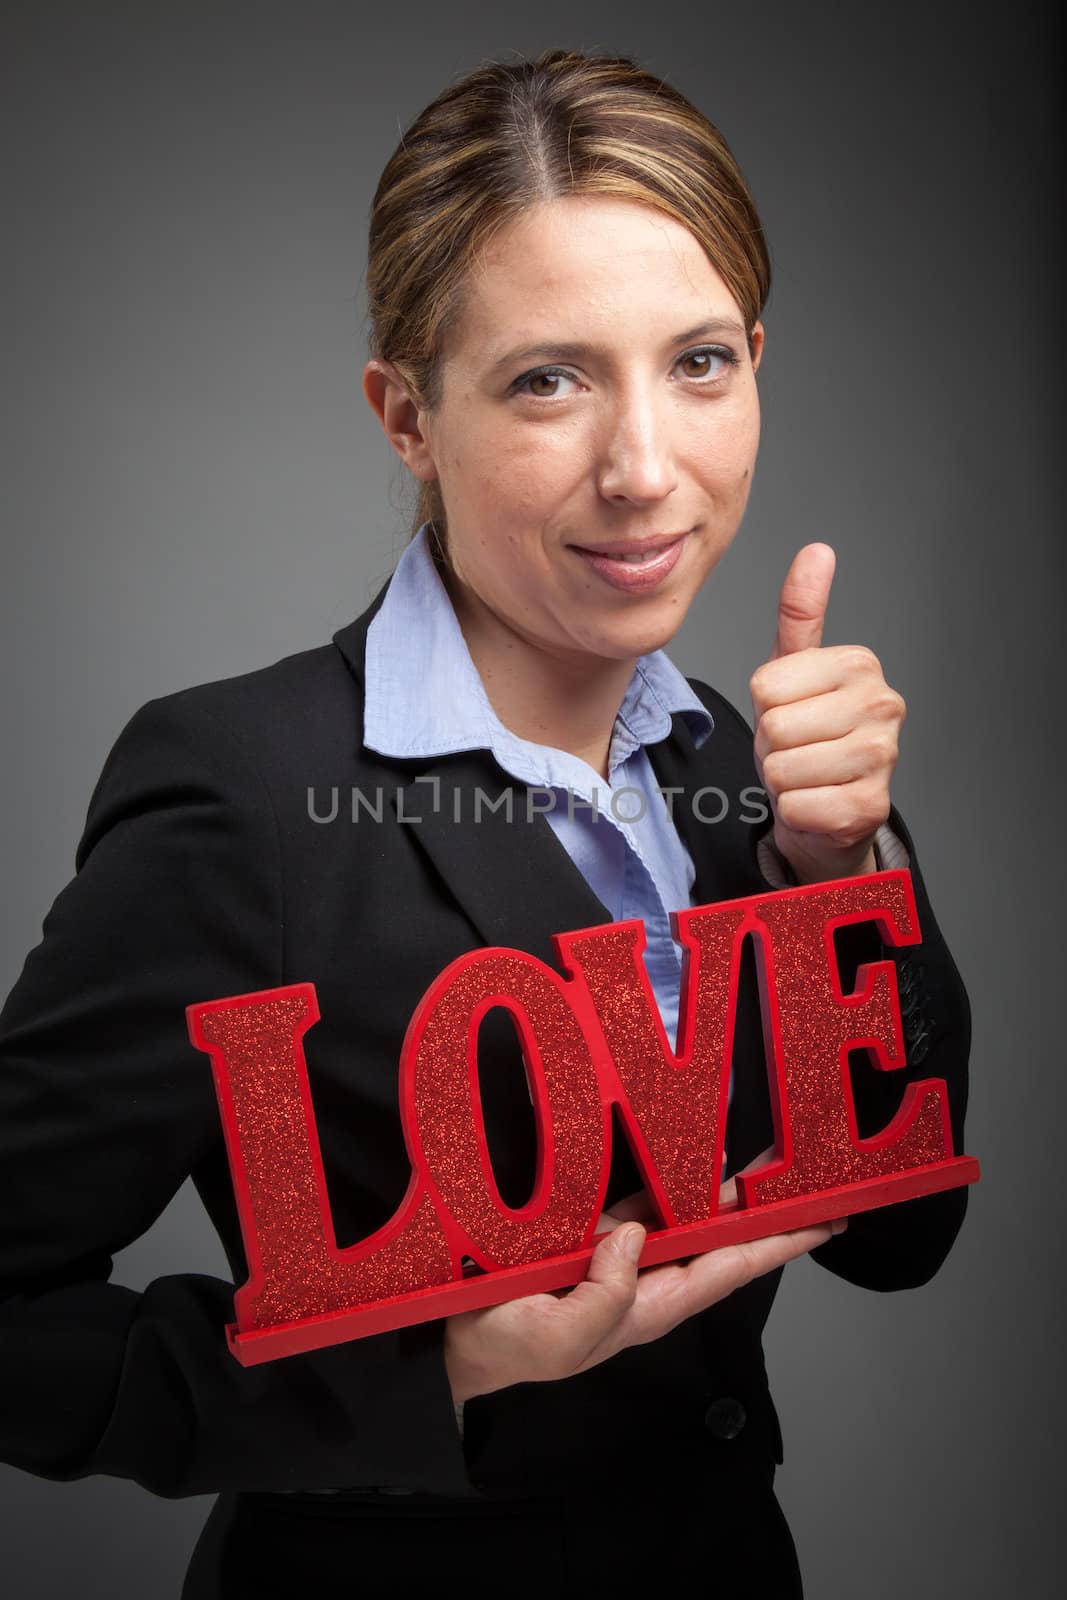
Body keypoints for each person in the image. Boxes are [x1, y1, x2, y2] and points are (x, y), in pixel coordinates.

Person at [0, 48, 969, 1598]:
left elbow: (895, 1239)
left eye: (701, 362)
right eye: (548, 378)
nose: (647, 472)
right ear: (406, 415)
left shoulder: (738, 757)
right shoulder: (243, 796)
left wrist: (827, 871)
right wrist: (432, 1370)